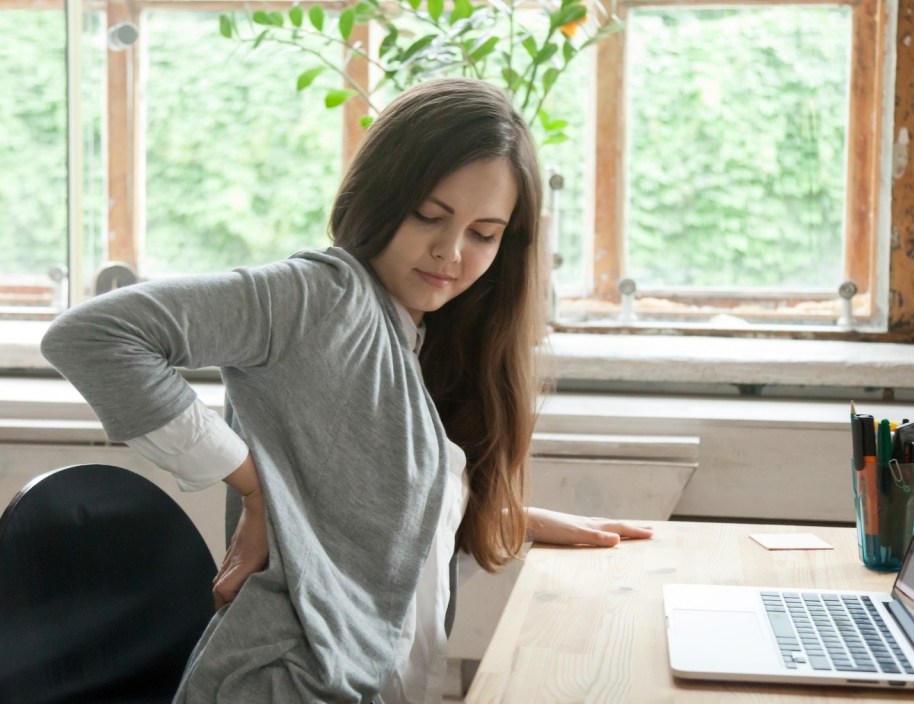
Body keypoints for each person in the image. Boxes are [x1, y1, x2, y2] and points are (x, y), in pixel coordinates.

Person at [41, 77, 652, 703]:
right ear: (381, 197)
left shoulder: (412, 334)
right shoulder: (318, 299)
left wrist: (488, 515)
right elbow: (92, 335)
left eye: (484, 233)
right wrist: (254, 488)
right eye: (430, 216)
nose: (451, 252)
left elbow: (360, 513)